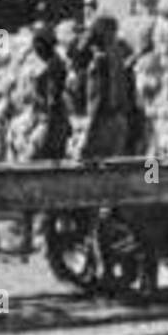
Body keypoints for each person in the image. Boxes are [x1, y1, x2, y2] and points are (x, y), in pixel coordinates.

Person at [13, 23, 71, 256]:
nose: (35, 50)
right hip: (50, 124)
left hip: (50, 126)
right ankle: (41, 236)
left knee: (29, 176)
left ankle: (32, 236)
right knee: (46, 181)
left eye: (38, 45)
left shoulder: (54, 67)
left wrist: (41, 125)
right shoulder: (52, 64)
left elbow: (52, 102)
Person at [79, 15, 133, 161]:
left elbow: (99, 96)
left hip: (104, 121)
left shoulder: (100, 61)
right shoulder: (117, 53)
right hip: (120, 117)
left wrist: (89, 135)